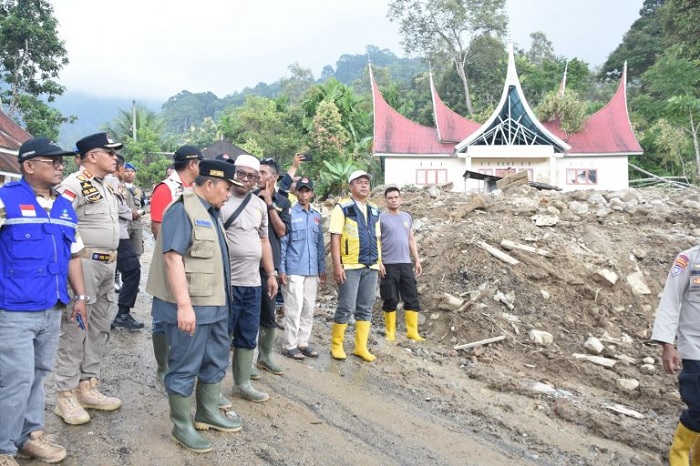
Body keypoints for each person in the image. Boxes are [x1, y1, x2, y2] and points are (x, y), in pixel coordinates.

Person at [0, 138, 88, 465]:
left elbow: (74, 256)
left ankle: (30, 436)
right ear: (28, 166)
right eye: (52, 161)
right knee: (15, 378)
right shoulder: (5, 199)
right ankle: (3, 447)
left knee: (38, 375)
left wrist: (80, 296)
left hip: (53, 309)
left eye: (61, 161)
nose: (60, 166)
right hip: (13, 311)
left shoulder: (64, 206)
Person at [145, 159, 241, 453]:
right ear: (209, 183)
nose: (228, 194)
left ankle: (207, 413)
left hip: (216, 305)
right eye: (226, 188)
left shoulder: (212, 212)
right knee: (185, 366)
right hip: (193, 307)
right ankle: (181, 425)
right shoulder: (181, 210)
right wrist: (184, 306)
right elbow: (172, 258)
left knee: (215, 360)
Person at [53, 132, 123, 425]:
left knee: (99, 325)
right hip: (85, 263)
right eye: (110, 152)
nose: (115, 157)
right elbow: (62, 226)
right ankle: (65, 394)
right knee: (76, 327)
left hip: (109, 263)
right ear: (92, 156)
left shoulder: (107, 184)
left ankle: (87, 385)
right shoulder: (72, 185)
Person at [221, 154, 278, 402]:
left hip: (253, 282)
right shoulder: (220, 199)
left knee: (247, 334)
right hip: (226, 283)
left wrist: (272, 273)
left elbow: (264, 240)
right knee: (221, 337)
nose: (245, 180)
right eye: (241, 174)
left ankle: (242, 383)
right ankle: (212, 390)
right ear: (233, 173)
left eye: (251, 176)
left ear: (258, 180)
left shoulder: (259, 205)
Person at [149, 145, 202, 383]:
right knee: (163, 316)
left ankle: (183, 363)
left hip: (190, 264)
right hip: (169, 261)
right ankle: (163, 366)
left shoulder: (195, 190)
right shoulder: (166, 189)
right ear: (192, 164)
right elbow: (157, 227)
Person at [651, 247, 700, 465]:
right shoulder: (688, 259)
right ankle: (678, 455)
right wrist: (667, 344)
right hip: (695, 348)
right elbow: (671, 302)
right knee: (698, 406)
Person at [329, 170, 382, 362]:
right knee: (346, 306)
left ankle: (360, 347)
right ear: (351, 186)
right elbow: (335, 237)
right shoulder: (342, 208)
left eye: (367, 182)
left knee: (365, 307)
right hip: (350, 265)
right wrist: (337, 266)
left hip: (371, 265)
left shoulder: (374, 209)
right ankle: (336, 344)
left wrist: (380, 262)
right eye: (360, 182)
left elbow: (376, 237)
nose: (364, 185)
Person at [279, 177, 326, 360]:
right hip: (294, 270)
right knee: (293, 308)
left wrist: (322, 268)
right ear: (295, 192)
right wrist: (281, 269)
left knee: (308, 308)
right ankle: (289, 345)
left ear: (312, 193)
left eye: (307, 191)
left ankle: (303, 342)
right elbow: (284, 244)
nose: (304, 194)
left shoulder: (316, 216)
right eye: (301, 191)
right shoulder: (289, 213)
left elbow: (320, 245)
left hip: (312, 270)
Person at [253, 157, 290, 376]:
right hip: (247, 264)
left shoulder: (283, 202)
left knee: (268, 313)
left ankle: (265, 357)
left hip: (269, 267)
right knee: (247, 312)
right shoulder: (247, 198)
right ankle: (245, 361)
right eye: (257, 172)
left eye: (264, 173)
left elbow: (282, 231)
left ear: (274, 178)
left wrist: (269, 204)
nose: (259, 177)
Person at [379, 186, 425, 341]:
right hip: (388, 264)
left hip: (405, 263)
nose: (393, 200)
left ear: (401, 199)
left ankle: (412, 331)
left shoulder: (406, 217)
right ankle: (390, 332)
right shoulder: (381, 218)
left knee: (411, 296)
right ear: (385, 201)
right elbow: (377, 240)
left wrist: (417, 260)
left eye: (395, 197)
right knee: (390, 297)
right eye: (390, 198)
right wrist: (379, 262)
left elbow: (411, 239)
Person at [110, 156, 144, 331]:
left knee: (130, 269)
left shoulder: (114, 182)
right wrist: (130, 213)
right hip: (116, 234)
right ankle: (121, 314)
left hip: (119, 232)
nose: (127, 172)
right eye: (125, 169)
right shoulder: (111, 181)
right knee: (132, 270)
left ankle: (120, 314)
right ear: (120, 168)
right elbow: (114, 207)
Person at [123, 162, 146, 257]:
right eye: (126, 171)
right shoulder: (117, 188)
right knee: (121, 252)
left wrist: (140, 212)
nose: (130, 173)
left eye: (132, 171)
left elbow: (144, 206)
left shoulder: (139, 191)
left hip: (136, 225)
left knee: (137, 252)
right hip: (122, 225)